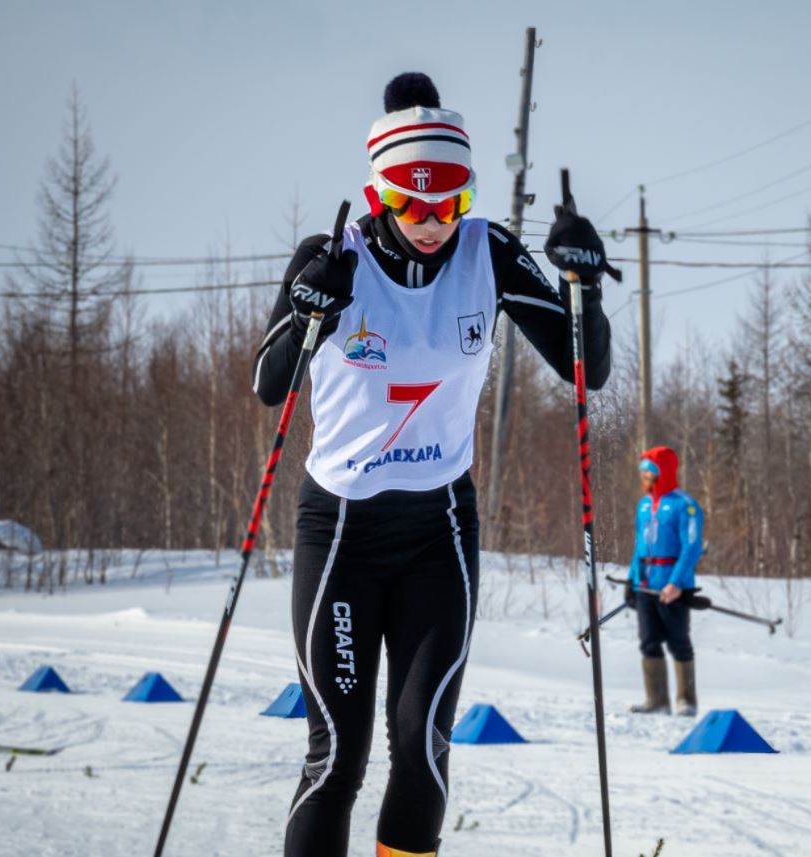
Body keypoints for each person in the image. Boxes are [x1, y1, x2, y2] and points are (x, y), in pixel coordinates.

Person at [252, 72, 614, 857]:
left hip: (438, 533)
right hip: (340, 534)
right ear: (376, 193)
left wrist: (583, 285)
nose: (430, 223)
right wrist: (307, 313)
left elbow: (586, 370)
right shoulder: (331, 257)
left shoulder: (489, 252)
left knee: (420, 746)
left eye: (449, 203)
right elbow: (267, 386)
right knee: (336, 757)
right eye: (412, 204)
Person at [626, 446, 704, 717]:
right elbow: (638, 545)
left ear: (663, 473)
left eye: (649, 471)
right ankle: (657, 700)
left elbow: (691, 548)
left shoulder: (686, 506)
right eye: (642, 471)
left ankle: (686, 700)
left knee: (678, 641)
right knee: (648, 641)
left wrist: (676, 583)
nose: (644, 476)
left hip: (672, 587)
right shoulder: (644, 505)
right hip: (645, 584)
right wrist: (631, 580)